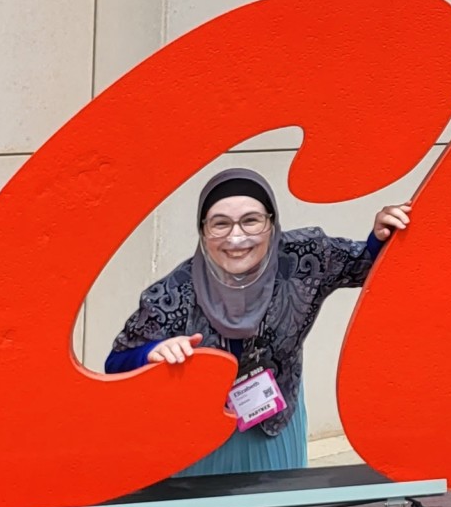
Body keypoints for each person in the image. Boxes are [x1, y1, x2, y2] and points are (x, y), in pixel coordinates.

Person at [102, 168, 411, 479]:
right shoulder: (171, 295)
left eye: (251, 220)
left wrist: (382, 233)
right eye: (220, 224)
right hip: (202, 441)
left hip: (274, 423)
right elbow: (116, 365)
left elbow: (365, 265)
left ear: (271, 223)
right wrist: (153, 352)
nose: (236, 238)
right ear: (203, 232)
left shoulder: (305, 258)